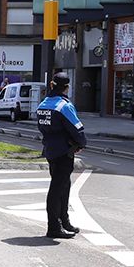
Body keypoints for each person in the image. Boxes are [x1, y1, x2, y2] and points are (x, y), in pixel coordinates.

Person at [35, 73, 87, 239]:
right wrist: (81, 144)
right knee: (57, 189)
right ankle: (53, 228)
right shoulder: (63, 106)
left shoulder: (43, 105)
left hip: (50, 150)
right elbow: (77, 129)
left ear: (51, 85)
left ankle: (64, 221)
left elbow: (42, 127)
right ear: (67, 87)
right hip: (64, 151)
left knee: (64, 185)